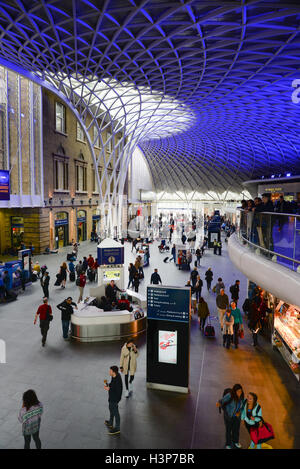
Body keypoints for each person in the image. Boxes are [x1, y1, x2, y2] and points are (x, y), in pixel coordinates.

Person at [216, 384, 245, 449]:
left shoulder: (242, 397)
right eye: (238, 391)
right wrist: (219, 403)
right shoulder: (229, 396)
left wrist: (239, 412)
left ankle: (236, 441)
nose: (239, 393)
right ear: (234, 391)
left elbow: (243, 406)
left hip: (237, 417)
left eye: (240, 391)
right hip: (228, 417)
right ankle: (228, 444)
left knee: (236, 430)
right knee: (228, 430)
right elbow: (221, 400)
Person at [104, 365, 123, 435]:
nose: (109, 372)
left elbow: (117, 391)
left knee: (115, 411)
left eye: (110, 371)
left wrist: (109, 389)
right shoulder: (114, 376)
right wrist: (108, 385)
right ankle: (111, 422)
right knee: (111, 408)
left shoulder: (118, 380)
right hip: (112, 397)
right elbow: (112, 384)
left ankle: (117, 428)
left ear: (113, 372)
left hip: (115, 398)